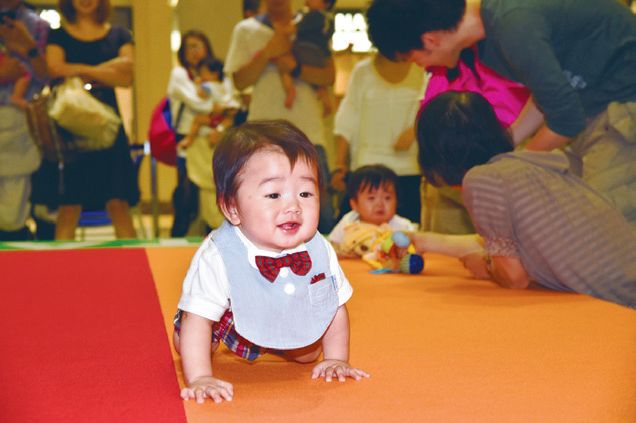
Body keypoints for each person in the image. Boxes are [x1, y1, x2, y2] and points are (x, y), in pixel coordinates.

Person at [366, 0, 636, 228]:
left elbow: (566, 119)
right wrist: (505, 149)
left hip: (623, 106)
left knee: (605, 225)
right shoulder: (491, 39)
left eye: (415, 59)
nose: (423, 66)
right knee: (572, 211)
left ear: (430, 40)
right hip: (598, 107)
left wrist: (508, 167)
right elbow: (547, 99)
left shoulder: (511, 24)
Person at [173, 120, 369, 404]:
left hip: (287, 309)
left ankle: (281, 342)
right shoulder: (219, 254)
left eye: (305, 193)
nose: (293, 206)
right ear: (232, 208)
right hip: (230, 316)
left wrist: (337, 358)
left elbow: (334, 306)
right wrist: (200, 376)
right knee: (189, 341)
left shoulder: (319, 249)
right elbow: (199, 318)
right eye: (274, 195)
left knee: (308, 355)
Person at [411, 91, 636, 308]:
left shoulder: (481, 180)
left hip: (617, 302)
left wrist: (485, 266)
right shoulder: (530, 165)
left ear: (437, 153)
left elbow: (514, 278)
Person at [225, 0, 337, 234]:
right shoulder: (246, 30)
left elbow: (328, 76)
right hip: (261, 136)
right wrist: (268, 52)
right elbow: (240, 80)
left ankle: (323, 269)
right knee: (261, 211)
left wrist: (294, 68)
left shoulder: (308, 25)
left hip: (309, 133)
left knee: (320, 214)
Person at [35, 0, 138, 240]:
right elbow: (54, 69)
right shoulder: (58, 35)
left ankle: (134, 270)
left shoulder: (119, 34)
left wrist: (76, 70)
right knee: (69, 205)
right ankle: (62, 274)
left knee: (118, 202)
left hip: (108, 125)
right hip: (70, 123)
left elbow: (126, 76)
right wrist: (105, 70)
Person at [332, 52, 425, 225]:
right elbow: (347, 119)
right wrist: (339, 164)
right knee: (350, 232)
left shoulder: (421, 70)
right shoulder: (362, 71)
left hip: (410, 170)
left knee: (407, 236)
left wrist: (415, 129)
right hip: (366, 169)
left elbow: (431, 109)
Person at [0, 0, 48, 241]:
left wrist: (27, 46)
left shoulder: (35, 25)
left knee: (11, 212)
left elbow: (44, 74)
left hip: (16, 119)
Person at [167, 30, 216, 237]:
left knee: (210, 190)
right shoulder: (179, 75)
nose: (194, 51)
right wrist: (218, 105)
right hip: (187, 139)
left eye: (198, 45)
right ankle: (179, 235)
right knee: (188, 189)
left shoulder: (213, 74)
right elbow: (201, 103)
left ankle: (209, 235)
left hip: (211, 140)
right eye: (189, 47)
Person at [328, 164, 418, 257]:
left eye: (387, 198)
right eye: (371, 198)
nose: (380, 204)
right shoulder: (349, 221)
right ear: (354, 204)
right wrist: (340, 252)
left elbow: (415, 247)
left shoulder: (403, 226)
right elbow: (332, 244)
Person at [277, 0, 336, 113]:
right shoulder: (329, 19)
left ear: (326, 3)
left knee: (284, 67)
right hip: (321, 55)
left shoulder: (314, 15)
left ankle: (290, 90)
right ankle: (324, 95)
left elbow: (292, 29)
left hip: (303, 49)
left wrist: (280, 31)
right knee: (319, 80)